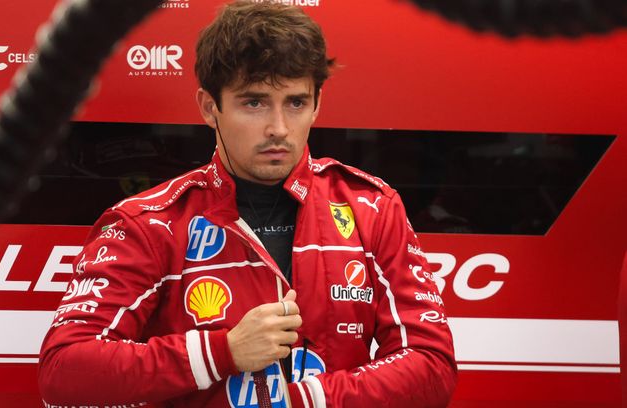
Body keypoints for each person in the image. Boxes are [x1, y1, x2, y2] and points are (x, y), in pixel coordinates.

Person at [38, 1, 457, 407]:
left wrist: (310, 400)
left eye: (295, 102)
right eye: (254, 102)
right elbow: (64, 371)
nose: (278, 128)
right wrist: (223, 352)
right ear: (210, 107)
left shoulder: (371, 207)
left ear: (317, 104)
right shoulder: (149, 222)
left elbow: (431, 365)